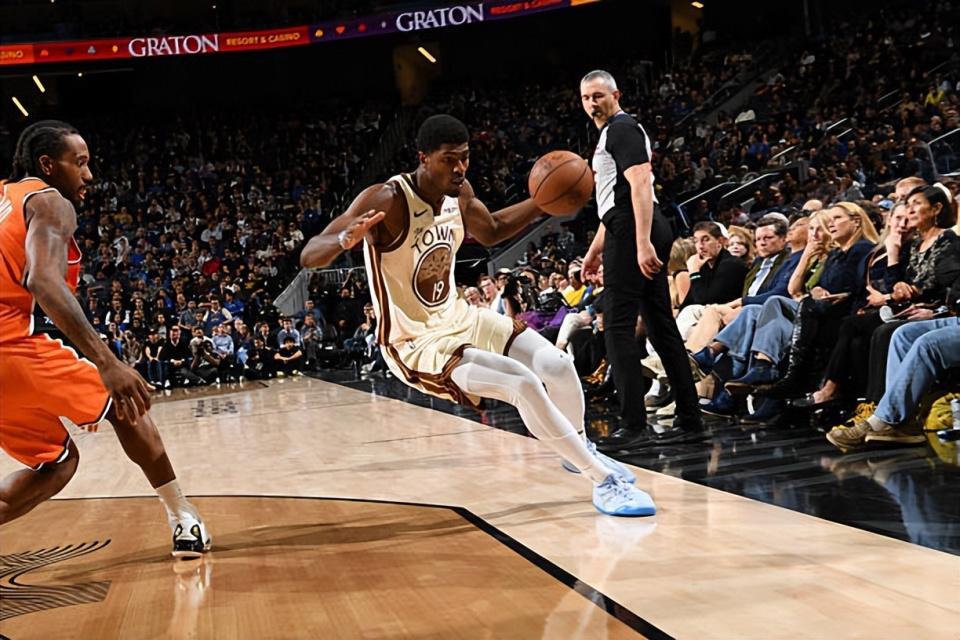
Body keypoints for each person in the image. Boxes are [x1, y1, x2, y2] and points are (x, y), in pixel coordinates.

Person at [300, 114, 653, 516]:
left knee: (557, 364)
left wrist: (541, 204)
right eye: (449, 159)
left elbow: (492, 229)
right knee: (522, 382)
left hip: (461, 317)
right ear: (423, 158)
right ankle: (603, 481)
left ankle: (578, 450)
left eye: (464, 157)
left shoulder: (460, 192)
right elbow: (309, 254)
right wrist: (343, 239)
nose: (459, 168)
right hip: (415, 341)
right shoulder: (387, 199)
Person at [0, 121, 210, 556]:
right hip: (12, 344)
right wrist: (108, 363)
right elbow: (43, 281)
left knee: (57, 464)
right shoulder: (48, 200)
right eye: (79, 163)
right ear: (47, 164)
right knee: (125, 402)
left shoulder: (3, 197)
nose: (89, 175)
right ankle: (183, 517)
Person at [578, 70, 702, 447]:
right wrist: (594, 251)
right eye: (586, 98)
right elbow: (615, 201)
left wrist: (642, 241)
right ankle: (690, 418)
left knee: (616, 326)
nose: (592, 103)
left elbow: (641, 184)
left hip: (636, 227)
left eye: (598, 95)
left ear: (615, 95)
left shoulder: (621, 128)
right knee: (661, 326)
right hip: (630, 225)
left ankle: (633, 425)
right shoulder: (613, 132)